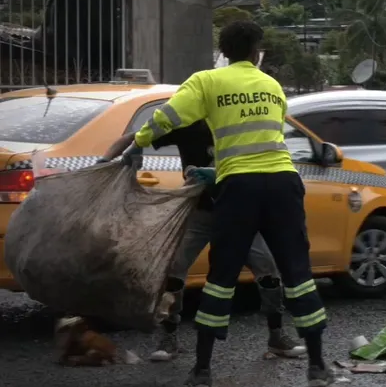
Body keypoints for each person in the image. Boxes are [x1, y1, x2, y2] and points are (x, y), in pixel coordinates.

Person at [111, 20, 329, 387]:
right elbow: (265, 141)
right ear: (255, 51)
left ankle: (202, 372)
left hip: (238, 188)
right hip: (282, 183)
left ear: (223, 51)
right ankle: (317, 367)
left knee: (221, 279)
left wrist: (138, 142)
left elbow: (167, 118)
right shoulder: (272, 86)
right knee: (298, 275)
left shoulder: (206, 82)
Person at [98, 124, 306, 364]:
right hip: (199, 213)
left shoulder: (238, 123)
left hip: (239, 213)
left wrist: (217, 175)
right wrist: (107, 159)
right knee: (174, 272)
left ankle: (277, 337)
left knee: (268, 272)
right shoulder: (187, 125)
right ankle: (169, 339)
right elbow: (134, 136)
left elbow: (262, 165)